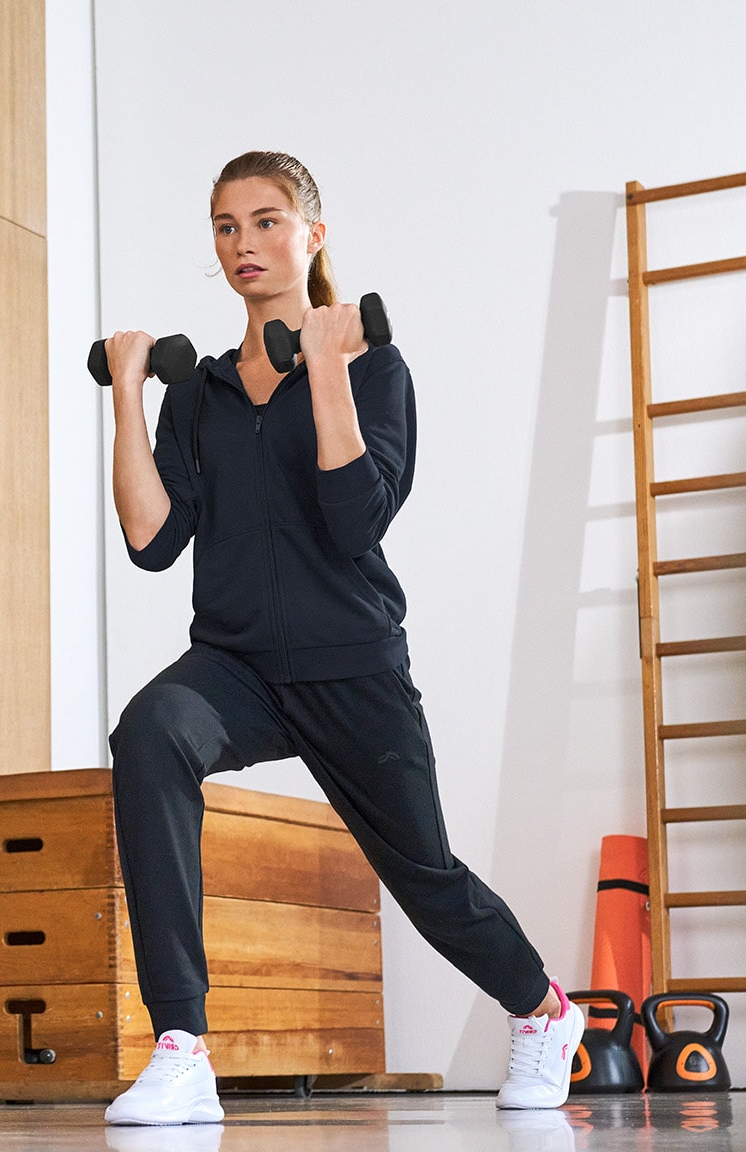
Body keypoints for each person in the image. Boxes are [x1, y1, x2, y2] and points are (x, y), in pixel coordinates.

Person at [97, 151, 580, 1127]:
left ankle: (544, 1011)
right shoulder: (203, 391)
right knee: (149, 731)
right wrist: (130, 395)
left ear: (313, 234)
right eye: (227, 227)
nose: (245, 244)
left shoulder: (375, 366)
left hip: (351, 661)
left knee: (424, 874)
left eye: (268, 221)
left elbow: (356, 518)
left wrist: (322, 364)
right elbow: (152, 541)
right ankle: (182, 1045)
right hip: (234, 665)